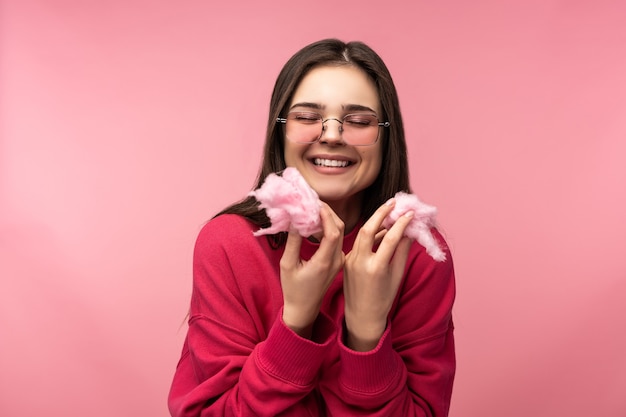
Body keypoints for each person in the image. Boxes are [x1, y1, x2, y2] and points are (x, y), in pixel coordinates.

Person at [168, 38, 456, 417]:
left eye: (358, 121)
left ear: (387, 139)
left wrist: (366, 333)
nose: (333, 135)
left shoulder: (415, 251)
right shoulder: (229, 244)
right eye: (307, 117)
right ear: (280, 131)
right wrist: (296, 321)